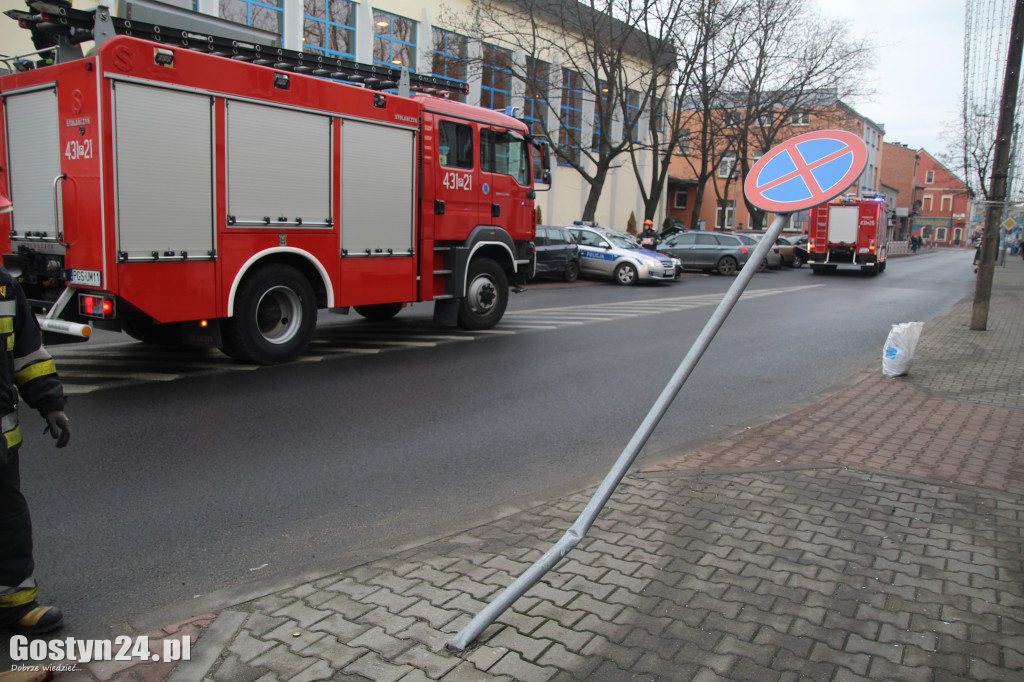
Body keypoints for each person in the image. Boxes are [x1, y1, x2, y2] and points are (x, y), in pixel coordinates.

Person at [0, 265, 70, 635]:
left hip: (1, 445)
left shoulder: (4, 288)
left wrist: (51, 405)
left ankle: (14, 606)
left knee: (7, 522)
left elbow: (27, 355)